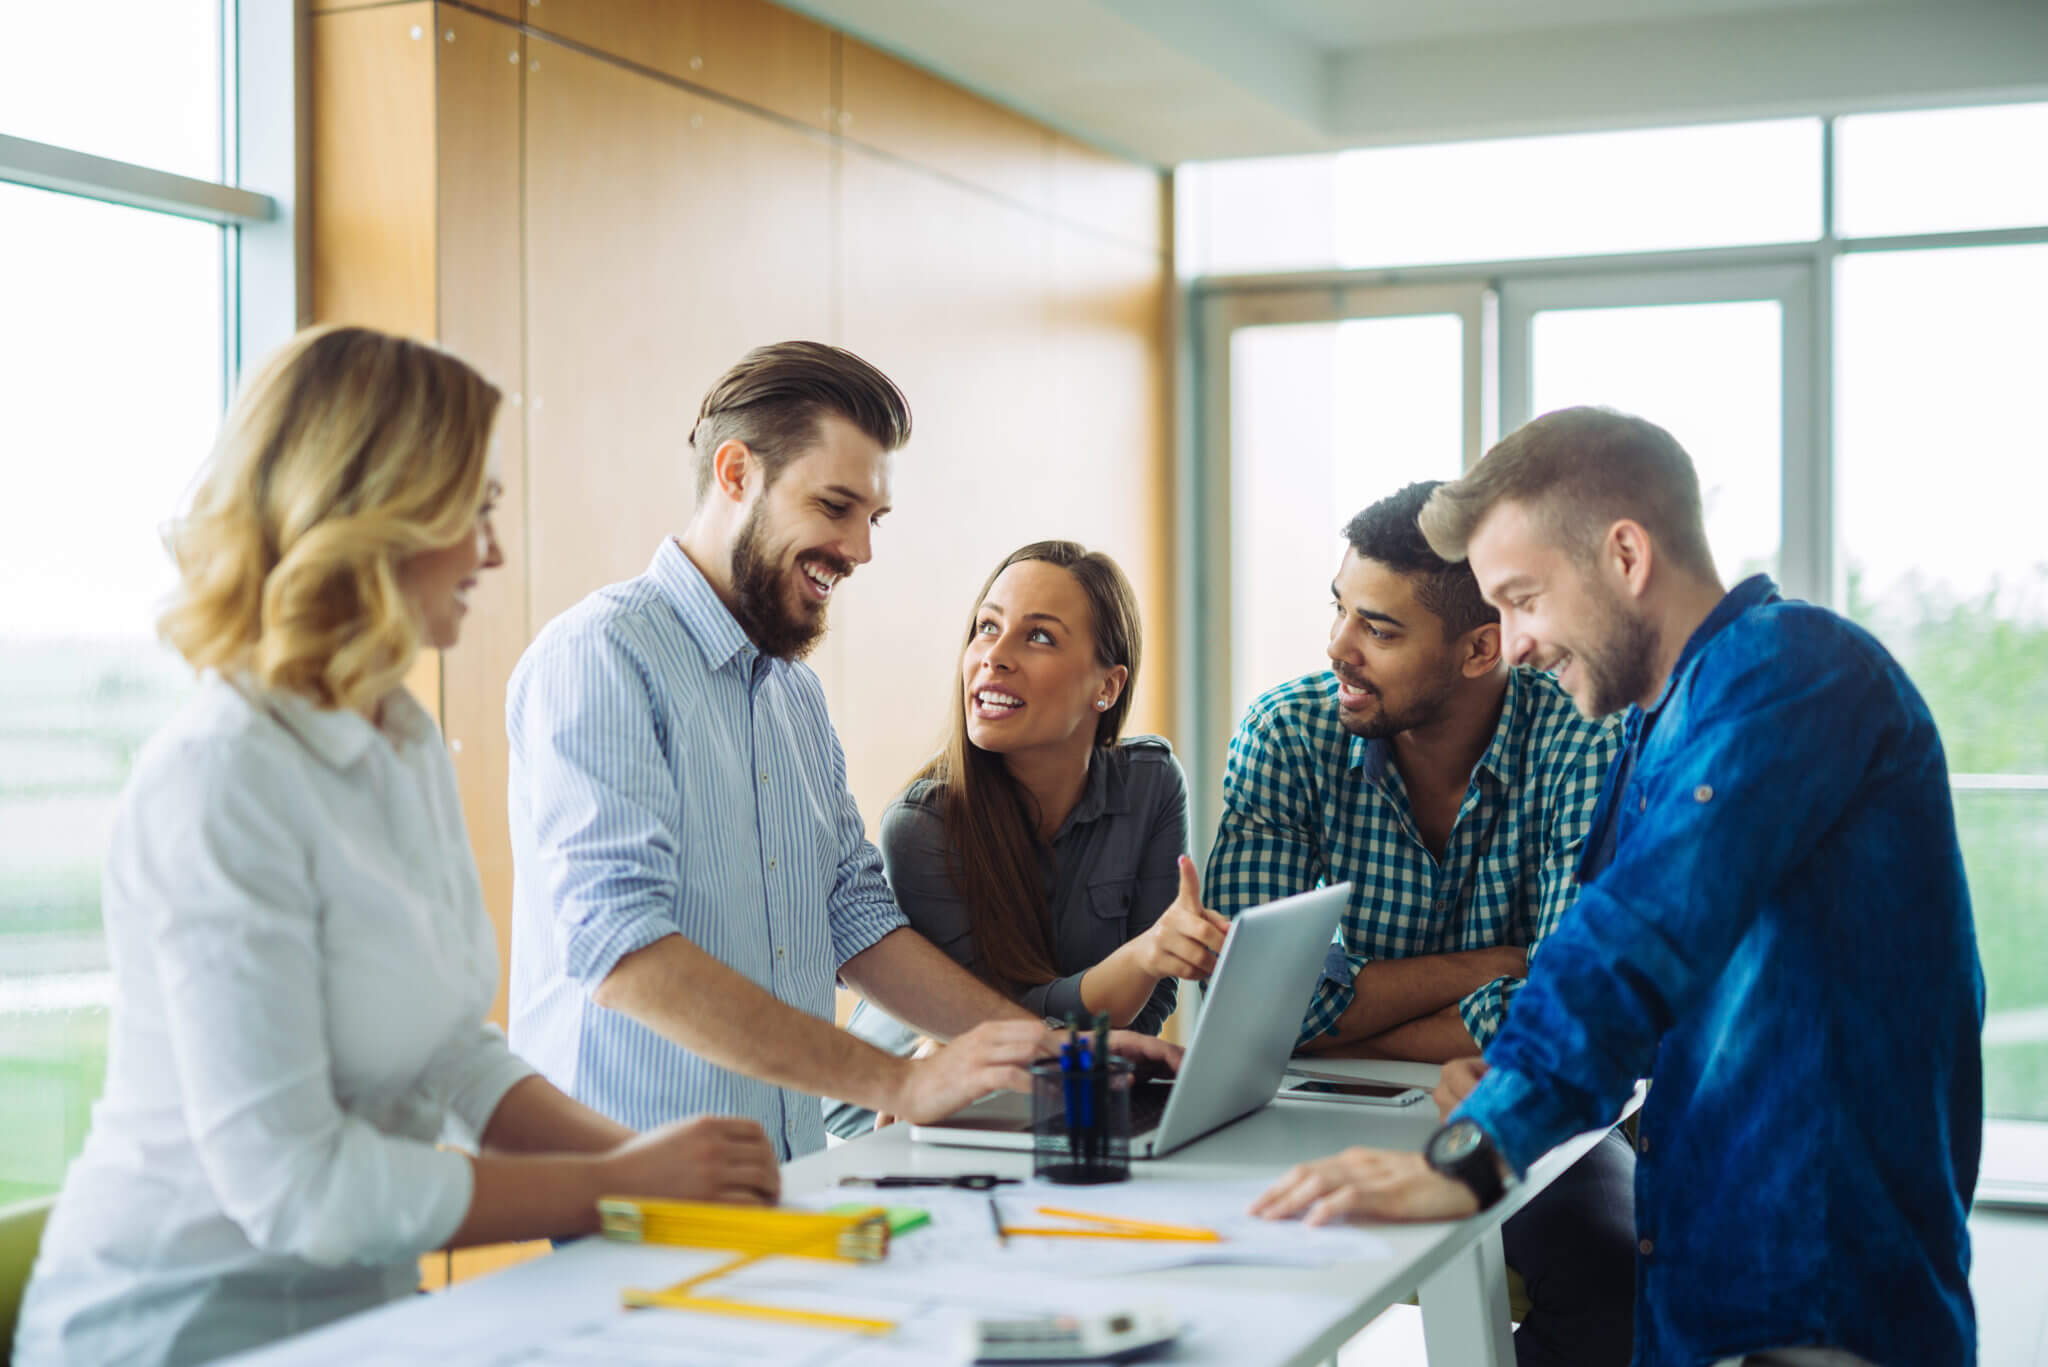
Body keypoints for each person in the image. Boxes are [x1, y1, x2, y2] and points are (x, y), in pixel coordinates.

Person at [12, 327, 780, 1367]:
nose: (491, 551)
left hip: (362, 1315)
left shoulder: (399, 735)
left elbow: (449, 1052)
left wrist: (657, 1165)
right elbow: (303, 1187)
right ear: (377, 514)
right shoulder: (220, 779)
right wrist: (626, 1183)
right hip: (175, 1331)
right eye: (477, 509)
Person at [1252, 407, 1983, 1367]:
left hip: (1819, 1301)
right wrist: (1515, 1069)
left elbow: (1632, 942)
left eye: (1522, 598)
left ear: (1625, 555)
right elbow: (1606, 978)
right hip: (1708, 1289)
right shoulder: (1657, 728)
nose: (1511, 646)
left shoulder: (1790, 668)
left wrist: (1483, 1145)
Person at [506, 343, 1178, 1161]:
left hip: (786, 1169)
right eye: (835, 507)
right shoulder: (602, 655)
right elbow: (623, 951)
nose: (860, 549)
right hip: (628, 1186)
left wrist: (1054, 1053)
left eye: (874, 518)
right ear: (735, 474)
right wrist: (897, 1083)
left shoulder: (793, 694)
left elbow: (857, 922)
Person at [1206, 480, 1634, 1367]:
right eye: (1340, 609)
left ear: (1483, 649)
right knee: (1204, 1255)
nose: (1339, 648)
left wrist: (1332, 1009)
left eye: (1380, 628)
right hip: (1300, 1110)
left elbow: (1561, 1013)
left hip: (1515, 1105)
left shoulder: (1581, 739)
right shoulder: (1288, 733)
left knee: (1620, 1273)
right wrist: (1495, 966)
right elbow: (1247, 1007)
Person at [826, 541, 1227, 1136]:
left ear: (1107, 688)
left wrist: (1146, 971)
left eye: (1038, 636)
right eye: (986, 628)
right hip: (900, 1119)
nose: (994, 656)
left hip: (1062, 1098)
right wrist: (1138, 959)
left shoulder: (1152, 785)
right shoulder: (921, 827)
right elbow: (990, 1030)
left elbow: (1152, 1001)